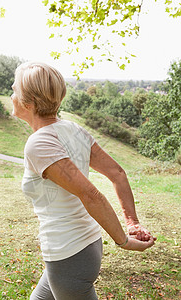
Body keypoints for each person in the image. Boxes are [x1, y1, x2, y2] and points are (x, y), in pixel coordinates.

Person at [11, 61, 156, 300]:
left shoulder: (39, 143)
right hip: (82, 245)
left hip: (69, 253)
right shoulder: (73, 129)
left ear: (29, 104)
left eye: (15, 90)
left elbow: (92, 195)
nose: (11, 95)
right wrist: (132, 221)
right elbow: (118, 174)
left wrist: (124, 240)